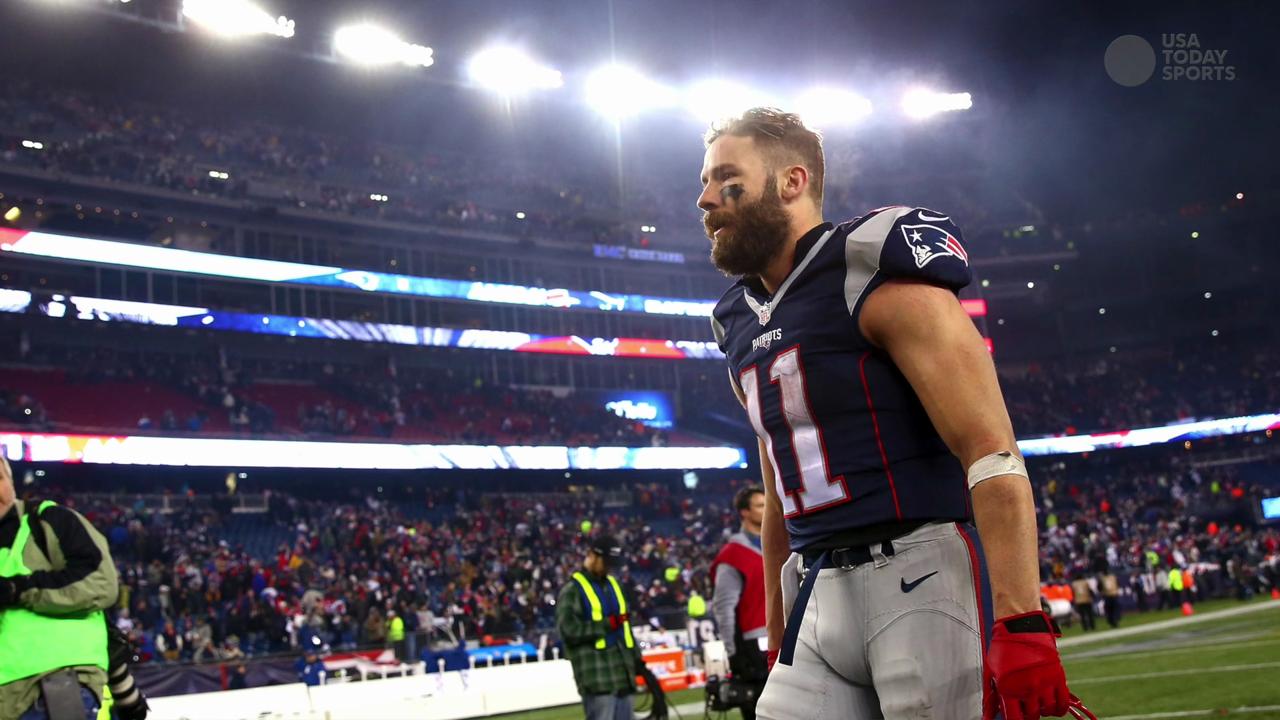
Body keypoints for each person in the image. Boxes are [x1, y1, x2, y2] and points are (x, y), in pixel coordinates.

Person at [699, 108, 1093, 720]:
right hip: (815, 584)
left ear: (792, 181)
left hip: (920, 570)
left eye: (726, 179)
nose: (703, 200)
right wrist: (778, 632)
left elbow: (989, 447)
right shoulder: (738, 322)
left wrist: (1021, 618)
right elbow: (779, 489)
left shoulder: (869, 266)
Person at [0, 457, 121, 720]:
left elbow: (100, 582)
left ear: (12, 483)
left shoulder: (47, 521)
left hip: (50, 687)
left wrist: (16, 589)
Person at [555, 535, 641, 720]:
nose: (610, 567)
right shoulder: (572, 590)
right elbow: (568, 630)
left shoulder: (614, 586)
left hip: (623, 675)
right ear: (593, 557)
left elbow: (625, 628)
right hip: (597, 678)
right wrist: (606, 625)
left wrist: (637, 659)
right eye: (607, 562)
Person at [711, 486, 768, 720]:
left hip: (789, 638)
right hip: (754, 647)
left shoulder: (780, 543)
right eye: (760, 506)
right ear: (744, 512)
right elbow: (724, 608)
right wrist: (734, 654)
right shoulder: (732, 555)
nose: (766, 510)